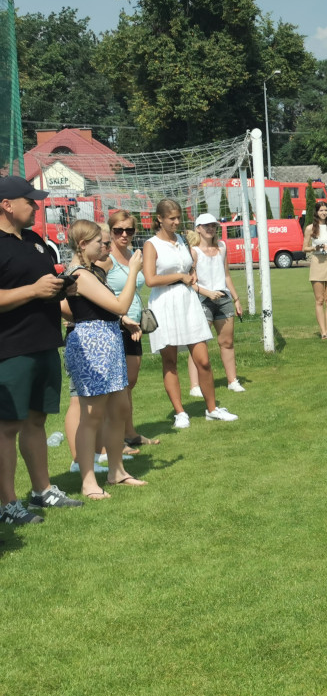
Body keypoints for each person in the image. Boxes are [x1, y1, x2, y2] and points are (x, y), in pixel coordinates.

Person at [0, 176, 81, 523]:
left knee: (36, 420)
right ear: (7, 205)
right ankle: (7, 504)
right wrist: (34, 291)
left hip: (45, 342)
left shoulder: (34, 240)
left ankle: (42, 491)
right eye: (29, 201)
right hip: (11, 348)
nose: (35, 206)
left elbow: (42, 286)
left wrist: (63, 290)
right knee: (6, 427)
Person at [62, 220, 147, 498]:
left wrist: (123, 320)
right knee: (92, 414)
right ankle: (88, 481)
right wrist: (133, 270)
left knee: (119, 407)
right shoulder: (80, 275)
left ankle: (117, 471)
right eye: (100, 242)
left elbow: (112, 310)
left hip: (108, 339)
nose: (105, 246)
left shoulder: (93, 271)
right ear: (83, 244)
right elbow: (120, 303)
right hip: (91, 343)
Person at [143, 198, 237, 428]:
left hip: (188, 301)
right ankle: (180, 412)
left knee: (203, 360)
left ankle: (212, 409)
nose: (176, 222)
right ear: (160, 219)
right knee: (170, 360)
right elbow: (150, 280)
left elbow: (189, 268)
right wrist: (180, 277)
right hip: (164, 302)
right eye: (171, 218)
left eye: (178, 218)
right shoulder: (151, 244)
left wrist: (190, 275)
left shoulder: (182, 240)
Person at [98, 209, 160, 448]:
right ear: (111, 231)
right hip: (115, 323)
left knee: (129, 382)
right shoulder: (106, 258)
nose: (124, 234)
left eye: (129, 230)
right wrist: (121, 316)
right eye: (118, 230)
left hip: (135, 324)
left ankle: (129, 432)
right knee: (117, 385)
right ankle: (113, 438)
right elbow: (98, 290)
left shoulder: (135, 254)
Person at [185, 213, 246, 395]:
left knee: (227, 341)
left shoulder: (222, 247)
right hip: (202, 299)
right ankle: (195, 386)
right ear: (198, 228)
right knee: (198, 344)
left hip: (223, 298)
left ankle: (232, 381)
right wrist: (207, 293)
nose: (210, 228)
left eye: (213, 225)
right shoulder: (193, 251)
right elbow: (190, 281)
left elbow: (226, 275)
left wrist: (236, 299)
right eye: (206, 226)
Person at [302, 201, 327, 339]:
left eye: (325, 210)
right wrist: (315, 248)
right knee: (319, 299)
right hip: (317, 263)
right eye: (321, 210)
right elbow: (304, 248)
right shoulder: (310, 228)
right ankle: (323, 332)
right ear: (316, 212)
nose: (323, 213)